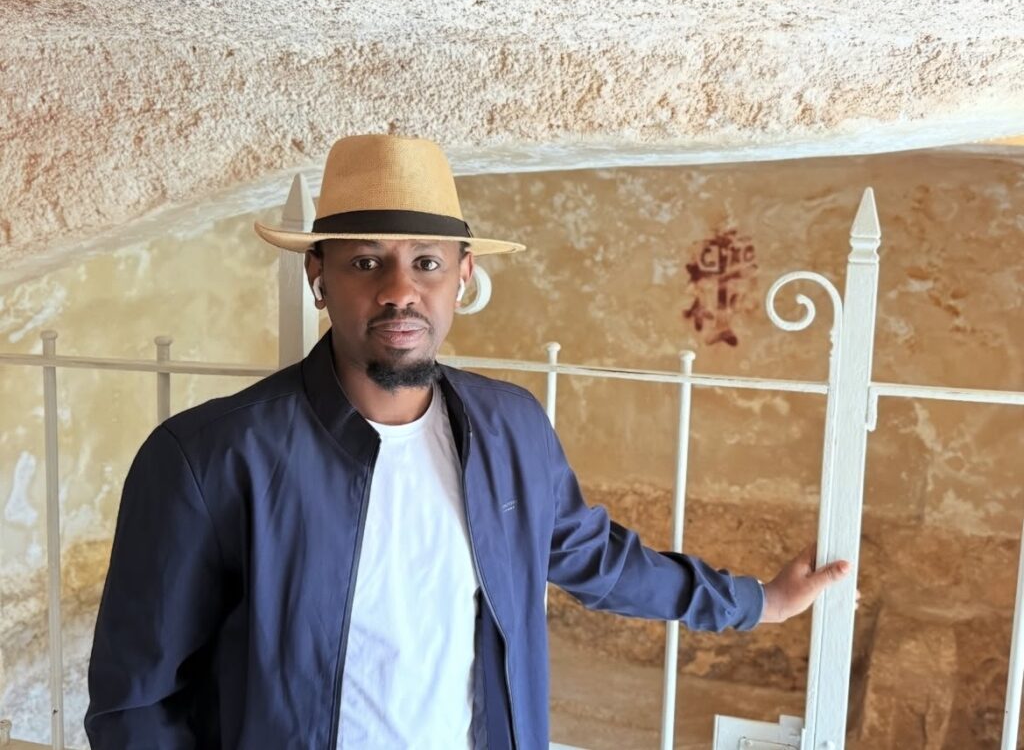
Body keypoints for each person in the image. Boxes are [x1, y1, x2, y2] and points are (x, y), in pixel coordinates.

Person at [85, 134, 850, 749]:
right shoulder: (210, 459)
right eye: (365, 261)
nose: (399, 289)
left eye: (426, 262)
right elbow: (134, 703)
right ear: (318, 275)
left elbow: (599, 559)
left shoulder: (511, 428)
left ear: (462, 275)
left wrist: (757, 601)